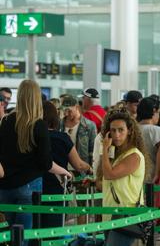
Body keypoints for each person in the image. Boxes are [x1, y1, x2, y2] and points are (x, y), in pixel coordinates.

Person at [0, 80, 70, 233]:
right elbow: (46, 163)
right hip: (29, 187)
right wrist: (64, 171)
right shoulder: (38, 125)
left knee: (13, 235)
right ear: (37, 98)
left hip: (5, 187)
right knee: (25, 235)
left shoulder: (5, 121)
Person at [100, 108, 149, 246]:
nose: (116, 135)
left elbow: (109, 174)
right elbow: (109, 179)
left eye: (121, 130)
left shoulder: (134, 155)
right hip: (110, 214)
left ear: (129, 131)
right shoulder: (117, 156)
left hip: (126, 216)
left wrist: (104, 149)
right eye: (113, 130)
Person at [41, 101, 91, 229]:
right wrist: (90, 168)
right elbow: (79, 165)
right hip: (57, 188)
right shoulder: (62, 138)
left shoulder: (33, 137)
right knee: (54, 229)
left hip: (35, 186)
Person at [59, 95, 97, 167]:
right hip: (63, 167)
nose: (67, 114)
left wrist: (91, 168)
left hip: (82, 168)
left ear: (77, 107)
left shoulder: (89, 126)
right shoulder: (59, 125)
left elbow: (93, 150)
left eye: (69, 111)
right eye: (65, 111)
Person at [137, 96, 160, 183]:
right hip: (152, 176)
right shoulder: (154, 130)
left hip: (136, 175)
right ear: (154, 111)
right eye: (158, 112)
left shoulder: (133, 129)